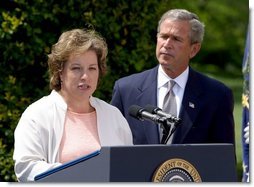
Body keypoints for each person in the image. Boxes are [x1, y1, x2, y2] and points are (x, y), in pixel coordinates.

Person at [13, 28, 133, 182]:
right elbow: (26, 168)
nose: (85, 76)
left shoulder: (114, 115)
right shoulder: (36, 115)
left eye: (92, 68)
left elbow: (128, 168)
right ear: (60, 72)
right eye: (76, 68)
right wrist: (80, 174)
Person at [111, 9, 235, 146]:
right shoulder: (126, 90)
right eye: (163, 36)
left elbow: (224, 160)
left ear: (194, 49)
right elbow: (112, 150)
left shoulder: (216, 95)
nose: (167, 44)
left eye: (176, 39)